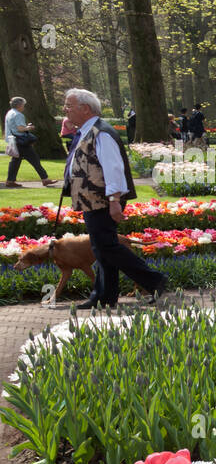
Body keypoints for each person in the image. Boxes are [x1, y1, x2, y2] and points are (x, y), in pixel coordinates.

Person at [60, 88, 167, 309]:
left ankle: (154, 279)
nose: (65, 110)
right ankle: (104, 296)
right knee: (101, 249)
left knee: (107, 247)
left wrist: (114, 200)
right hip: (94, 199)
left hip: (103, 199)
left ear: (85, 108)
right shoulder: (89, 130)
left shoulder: (102, 133)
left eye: (69, 106)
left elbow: (113, 168)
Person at [4, 97, 58, 188]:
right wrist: (29, 127)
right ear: (19, 105)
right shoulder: (18, 115)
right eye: (23, 105)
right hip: (21, 141)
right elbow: (20, 129)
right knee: (34, 159)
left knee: (15, 161)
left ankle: (10, 180)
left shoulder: (9, 113)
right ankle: (45, 179)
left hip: (13, 140)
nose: (24, 107)